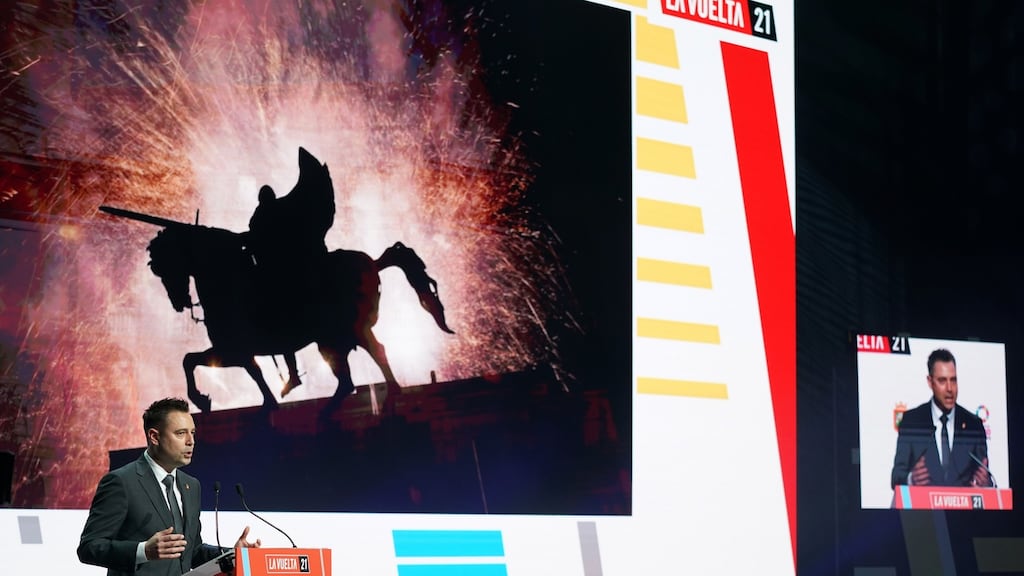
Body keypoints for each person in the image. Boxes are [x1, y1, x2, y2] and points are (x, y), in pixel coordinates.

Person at [78, 398, 261, 575]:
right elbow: (89, 547)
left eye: (193, 432)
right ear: (154, 437)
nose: (191, 441)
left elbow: (191, 551)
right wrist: (143, 551)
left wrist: (232, 555)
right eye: (181, 433)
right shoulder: (121, 482)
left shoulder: (191, 485)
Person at [890, 348, 992, 489]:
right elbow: (896, 477)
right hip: (924, 511)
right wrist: (911, 479)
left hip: (963, 511)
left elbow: (984, 477)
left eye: (954, 380)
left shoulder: (973, 425)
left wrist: (985, 483)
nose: (950, 388)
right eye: (942, 381)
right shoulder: (911, 422)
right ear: (930, 382)